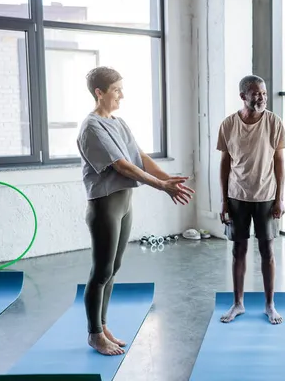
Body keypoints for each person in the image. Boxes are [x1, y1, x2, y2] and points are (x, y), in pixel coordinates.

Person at [76, 66, 195, 356]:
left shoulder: (119, 122)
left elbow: (139, 157)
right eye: (116, 89)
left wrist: (166, 178)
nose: (122, 95)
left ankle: (102, 326)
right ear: (99, 92)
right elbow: (121, 165)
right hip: (105, 205)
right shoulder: (91, 127)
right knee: (101, 270)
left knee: (114, 268)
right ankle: (94, 334)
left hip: (124, 203)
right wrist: (160, 186)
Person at [216, 75, 285, 325]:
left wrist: (279, 198)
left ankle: (270, 305)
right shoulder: (228, 124)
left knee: (267, 250)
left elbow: (279, 162)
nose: (261, 98)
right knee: (238, 250)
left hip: (266, 196)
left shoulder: (274, 122)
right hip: (237, 196)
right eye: (256, 93)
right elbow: (224, 163)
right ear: (243, 96)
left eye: (264, 93)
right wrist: (224, 200)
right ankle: (238, 303)